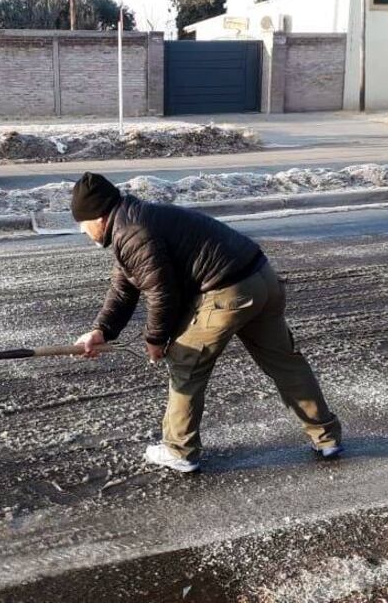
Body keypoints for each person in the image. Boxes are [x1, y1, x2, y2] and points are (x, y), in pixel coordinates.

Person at [71, 172, 342, 473]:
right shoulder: (136, 220)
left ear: (98, 216)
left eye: (82, 224)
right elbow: (125, 286)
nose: (83, 231)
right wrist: (102, 330)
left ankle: (179, 450)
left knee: (185, 361)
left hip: (229, 291)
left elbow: (162, 294)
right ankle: (326, 437)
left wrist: (156, 341)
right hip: (261, 279)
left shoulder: (132, 232)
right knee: (285, 363)